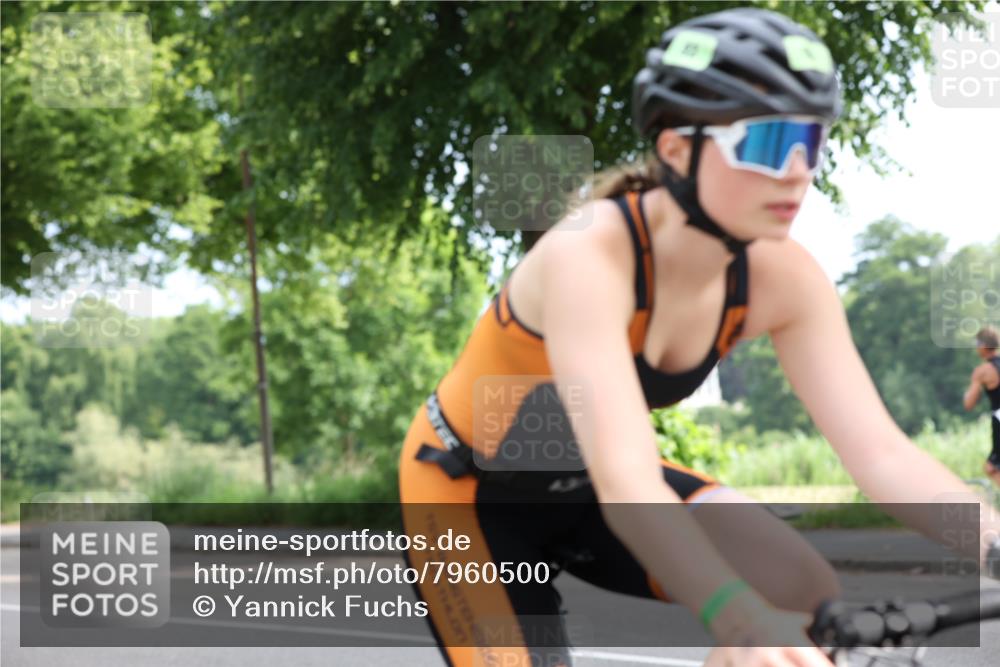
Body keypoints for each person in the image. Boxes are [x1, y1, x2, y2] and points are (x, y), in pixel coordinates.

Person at [398, 8, 1000, 667]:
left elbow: (883, 455)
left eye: (810, 142)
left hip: (593, 486)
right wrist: (738, 616)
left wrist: (993, 539)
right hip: (470, 496)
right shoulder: (589, 253)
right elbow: (628, 478)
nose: (797, 170)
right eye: (767, 145)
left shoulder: (783, 277)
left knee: (802, 590)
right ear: (675, 148)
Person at [963, 326, 1000, 488]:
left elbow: (969, 404)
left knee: (991, 467)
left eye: (977, 343)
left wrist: (975, 381)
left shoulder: (983, 371)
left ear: (984, 345)